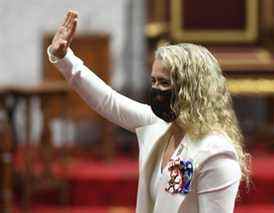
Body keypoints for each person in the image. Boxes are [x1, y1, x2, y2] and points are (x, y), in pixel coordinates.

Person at [47, 10, 249, 213]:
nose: (156, 90)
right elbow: (108, 101)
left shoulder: (216, 153)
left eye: (164, 83)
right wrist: (65, 58)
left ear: (190, 90)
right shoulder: (157, 125)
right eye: (153, 81)